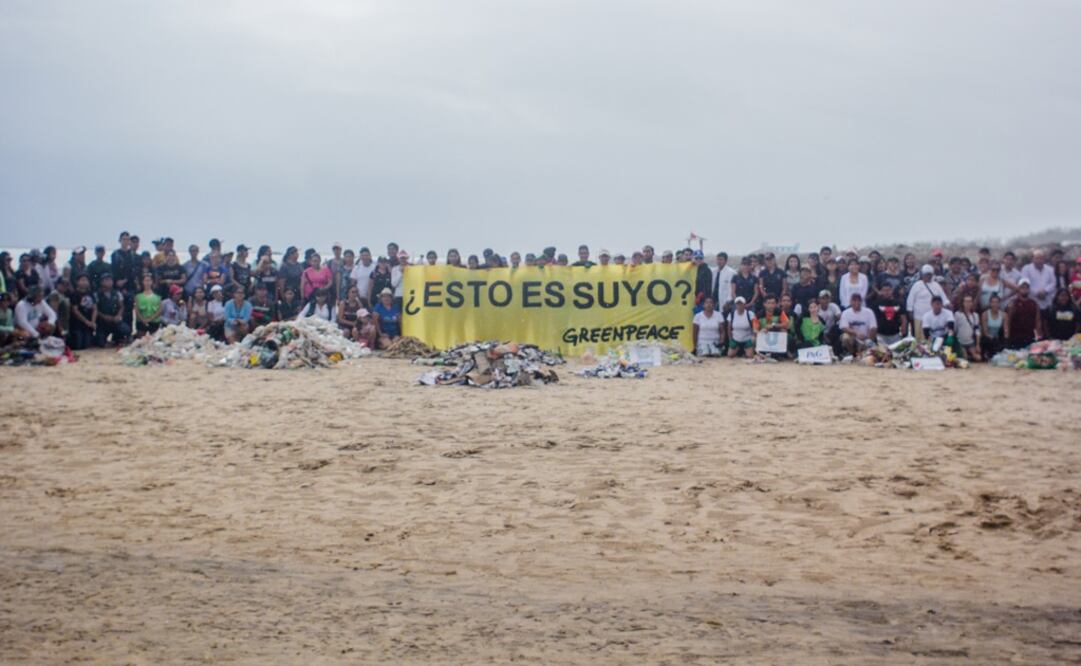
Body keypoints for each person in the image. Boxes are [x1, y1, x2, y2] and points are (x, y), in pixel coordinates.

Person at [906, 265, 950, 341]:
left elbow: (943, 297)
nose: (928, 276)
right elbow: (910, 299)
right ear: (922, 275)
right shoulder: (917, 285)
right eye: (926, 274)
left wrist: (948, 304)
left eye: (930, 274)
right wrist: (910, 311)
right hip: (919, 316)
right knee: (920, 339)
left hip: (933, 316)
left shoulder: (936, 285)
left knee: (933, 338)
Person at [93, 274, 129, 346]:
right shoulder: (96, 294)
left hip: (114, 321)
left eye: (110, 280)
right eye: (106, 280)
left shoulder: (117, 293)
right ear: (101, 282)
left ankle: (117, 338)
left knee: (125, 329)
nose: (109, 282)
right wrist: (104, 316)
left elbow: (121, 306)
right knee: (100, 343)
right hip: (102, 322)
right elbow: (95, 309)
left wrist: (118, 315)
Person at [1006, 279, 1041, 348]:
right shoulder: (1013, 303)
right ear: (1019, 289)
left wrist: (1039, 336)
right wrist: (1007, 337)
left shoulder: (1034, 303)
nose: (1024, 289)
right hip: (1016, 337)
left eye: (1026, 288)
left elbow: (1038, 321)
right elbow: (1008, 321)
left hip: (1030, 337)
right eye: (1022, 287)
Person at [68, 275, 97, 350]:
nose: (85, 282)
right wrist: (86, 321)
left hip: (89, 324)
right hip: (77, 324)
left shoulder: (91, 294)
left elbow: (95, 309)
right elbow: (75, 311)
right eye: (82, 280)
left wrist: (93, 322)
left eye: (86, 280)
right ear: (77, 282)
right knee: (78, 346)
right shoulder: (74, 294)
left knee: (86, 345)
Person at [954, 295, 982, 361]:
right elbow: (955, 329)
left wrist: (977, 345)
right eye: (966, 301)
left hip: (970, 342)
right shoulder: (958, 314)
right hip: (960, 342)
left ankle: (970, 356)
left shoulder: (975, 315)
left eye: (970, 301)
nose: (968, 303)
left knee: (978, 358)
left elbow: (977, 331)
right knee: (965, 358)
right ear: (963, 303)